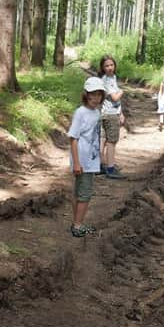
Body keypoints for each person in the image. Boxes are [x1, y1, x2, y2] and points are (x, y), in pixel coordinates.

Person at [68, 77, 106, 237]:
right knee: (85, 194)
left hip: (91, 160)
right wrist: (76, 163)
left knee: (80, 193)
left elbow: (96, 136)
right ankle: (78, 226)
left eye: (99, 94)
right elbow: (73, 138)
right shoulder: (80, 113)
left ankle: (76, 222)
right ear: (86, 95)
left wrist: (100, 156)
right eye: (93, 94)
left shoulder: (96, 113)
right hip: (82, 161)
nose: (96, 98)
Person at [98, 55, 125, 179]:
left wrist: (121, 112)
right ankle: (110, 168)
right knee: (111, 142)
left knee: (103, 140)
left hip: (108, 112)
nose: (109, 68)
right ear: (103, 68)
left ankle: (97, 166)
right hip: (110, 114)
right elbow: (115, 97)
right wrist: (121, 91)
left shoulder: (112, 77)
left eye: (111, 65)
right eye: (106, 66)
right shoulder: (106, 80)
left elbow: (115, 101)